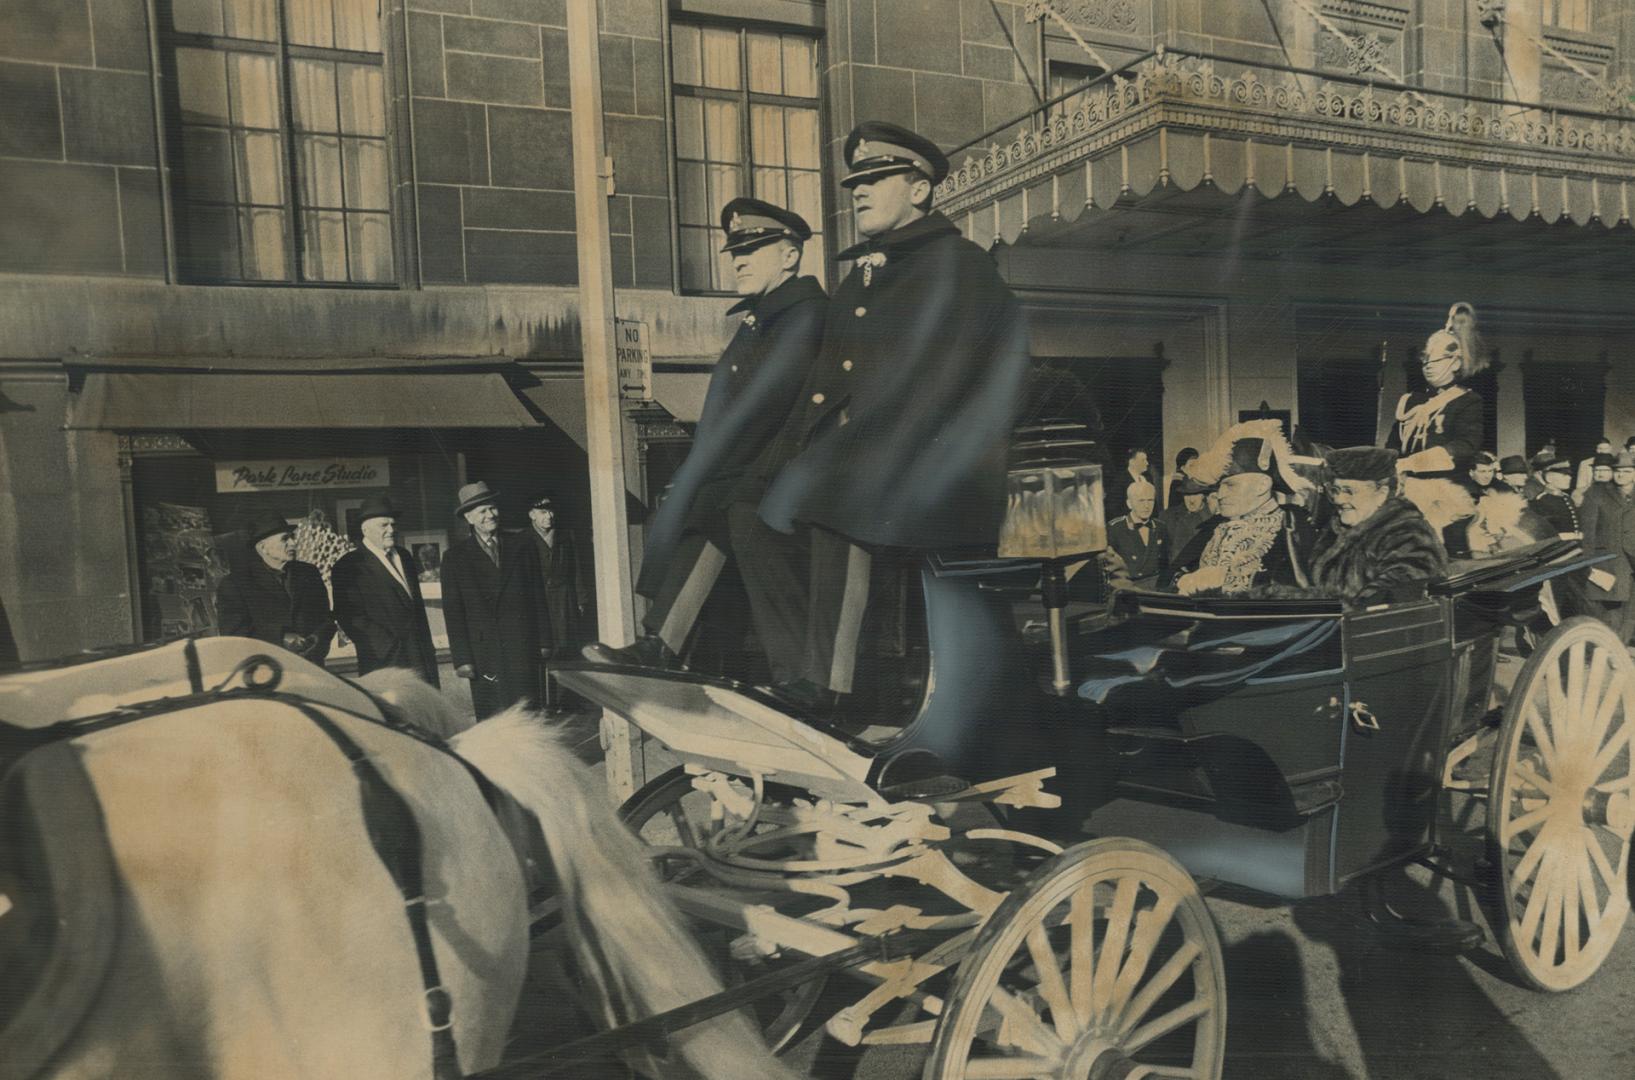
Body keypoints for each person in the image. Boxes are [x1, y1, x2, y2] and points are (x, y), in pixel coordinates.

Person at [750, 120, 1031, 711]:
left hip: (944, 465)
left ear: (920, 189)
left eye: (876, 177)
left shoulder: (959, 264)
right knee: (748, 505)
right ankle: (790, 669)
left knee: (835, 500)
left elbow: (946, 386)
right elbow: (823, 390)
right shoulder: (864, 276)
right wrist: (776, 464)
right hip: (883, 460)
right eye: (856, 180)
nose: (858, 190)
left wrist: (843, 454)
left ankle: (827, 685)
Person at [596, 199, 826, 674]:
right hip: (753, 475)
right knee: (711, 513)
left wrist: (702, 472)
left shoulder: (804, 314)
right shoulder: (760, 319)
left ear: (791, 255)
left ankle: (682, 649)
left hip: (791, 474)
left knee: (721, 508)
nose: (738, 259)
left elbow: (763, 406)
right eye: (736, 249)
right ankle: (665, 643)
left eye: (755, 247)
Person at [1170, 419, 1316, 596]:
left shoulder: (1293, 526)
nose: (1221, 495)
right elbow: (1173, 575)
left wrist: (1226, 579)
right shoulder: (1214, 526)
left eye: (1230, 485)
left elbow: (1301, 593)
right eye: (1219, 487)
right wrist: (1186, 580)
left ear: (1262, 486)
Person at [440, 482, 547, 719]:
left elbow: (538, 595)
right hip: (484, 651)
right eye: (482, 511)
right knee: (494, 715)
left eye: (493, 508)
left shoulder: (522, 545)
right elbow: (453, 612)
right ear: (469, 518)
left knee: (527, 711)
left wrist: (544, 641)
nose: (491, 515)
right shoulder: (455, 558)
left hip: (522, 644)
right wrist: (462, 658)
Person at [1386, 302, 1488, 529]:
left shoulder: (1467, 400)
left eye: (1438, 360)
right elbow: (1393, 445)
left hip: (1447, 487)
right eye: (1425, 360)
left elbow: (1466, 445)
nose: (1429, 366)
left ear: (1456, 363)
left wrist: (1412, 462)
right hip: (1404, 486)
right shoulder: (1411, 401)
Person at [1308, 448, 1448, 606]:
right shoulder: (1335, 530)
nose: (1338, 499)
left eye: (1349, 491)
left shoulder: (1408, 536)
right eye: (1335, 490)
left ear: (1381, 493)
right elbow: (1324, 593)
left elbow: (1393, 600)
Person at [331, 498, 439, 686]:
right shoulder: (350, 565)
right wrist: (388, 646)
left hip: (421, 657)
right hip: (384, 661)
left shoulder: (404, 556)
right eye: (384, 525)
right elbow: (349, 616)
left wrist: (427, 646)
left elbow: (416, 607)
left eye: (393, 524)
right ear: (366, 529)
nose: (391, 530)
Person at [215, 517, 334, 663]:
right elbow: (234, 635)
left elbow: (326, 618)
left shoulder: (309, 573)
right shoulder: (235, 583)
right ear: (263, 547)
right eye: (285, 539)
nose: (293, 543)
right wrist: (281, 638)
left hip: (312, 664)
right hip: (267, 670)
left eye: (293, 537)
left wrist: (317, 641)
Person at [1578, 452, 1635, 642]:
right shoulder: (1597, 493)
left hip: (1632, 562)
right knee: (1611, 612)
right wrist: (1589, 563)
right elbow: (1588, 532)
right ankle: (1605, 651)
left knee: (1631, 613)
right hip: (1609, 561)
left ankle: (1620, 651)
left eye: (1627, 471)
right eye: (1617, 471)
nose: (1621, 475)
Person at [1106, 479, 1169, 591]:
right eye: (1141, 501)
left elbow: (1165, 563)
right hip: (1127, 589)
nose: (1146, 506)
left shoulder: (1161, 527)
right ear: (1129, 503)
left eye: (1150, 500)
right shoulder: (1115, 528)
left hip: (1154, 588)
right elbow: (1107, 568)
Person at [1160, 473, 1213, 563]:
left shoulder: (1213, 519)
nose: (1191, 500)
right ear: (1182, 495)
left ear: (1204, 495)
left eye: (1196, 494)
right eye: (1187, 495)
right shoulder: (1167, 517)